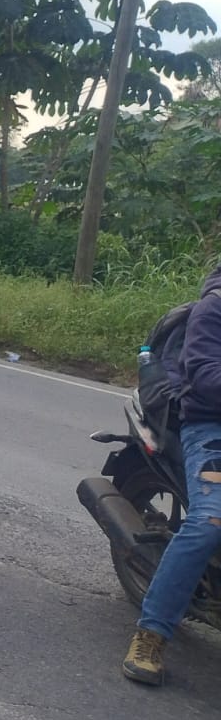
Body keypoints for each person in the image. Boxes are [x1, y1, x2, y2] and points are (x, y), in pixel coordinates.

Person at [122, 265, 221, 686]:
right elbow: (206, 376)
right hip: (211, 427)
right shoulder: (213, 310)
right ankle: (152, 634)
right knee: (210, 521)